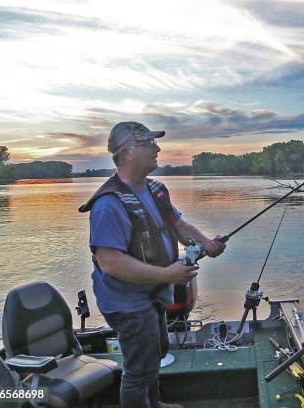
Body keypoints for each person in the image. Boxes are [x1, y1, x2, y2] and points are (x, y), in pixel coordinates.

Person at [79, 121, 226, 408]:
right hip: (127, 303)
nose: (157, 148)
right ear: (127, 152)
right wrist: (168, 274)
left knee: (156, 353)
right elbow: (110, 264)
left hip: (154, 294)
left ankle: (155, 404)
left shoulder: (156, 189)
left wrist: (207, 243)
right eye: (148, 143)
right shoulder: (108, 205)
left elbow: (177, 225)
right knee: (138, 370)